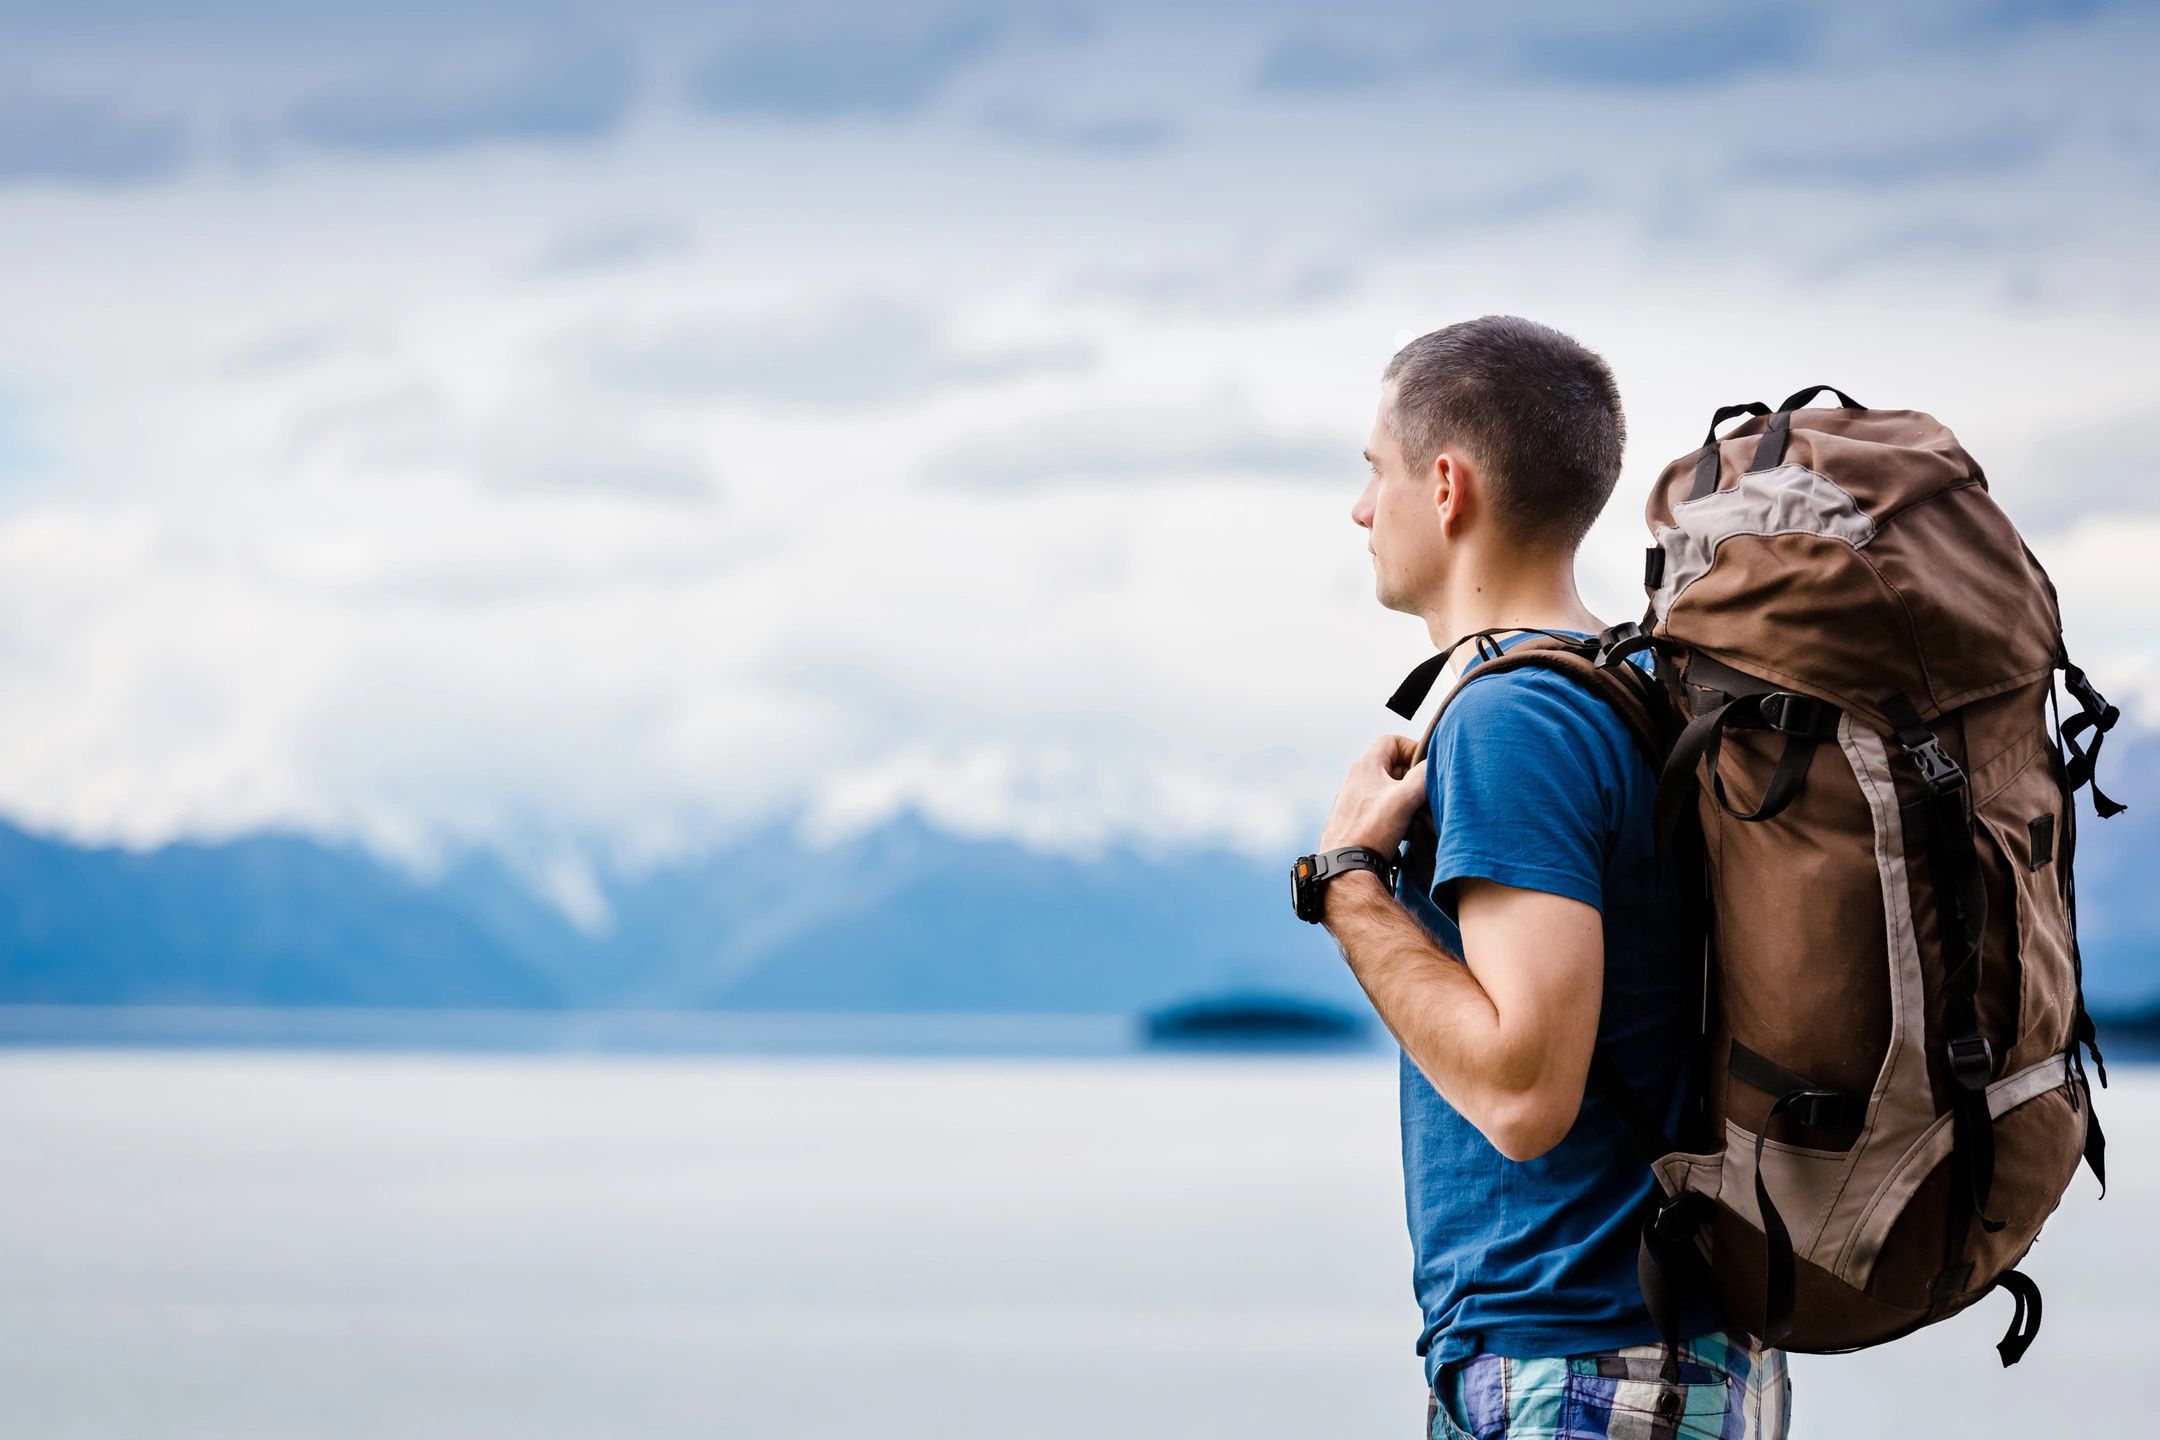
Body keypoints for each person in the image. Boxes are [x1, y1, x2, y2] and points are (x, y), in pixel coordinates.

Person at [1309, 316, 1791, 1439]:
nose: (1359, 508)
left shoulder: (1512, 721)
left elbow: (1525, 1094)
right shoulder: (1628, 685)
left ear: (1446, 485)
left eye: (1373, 471)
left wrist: (1346, 887)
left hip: (1579, 1372)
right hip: (1662, 1361)